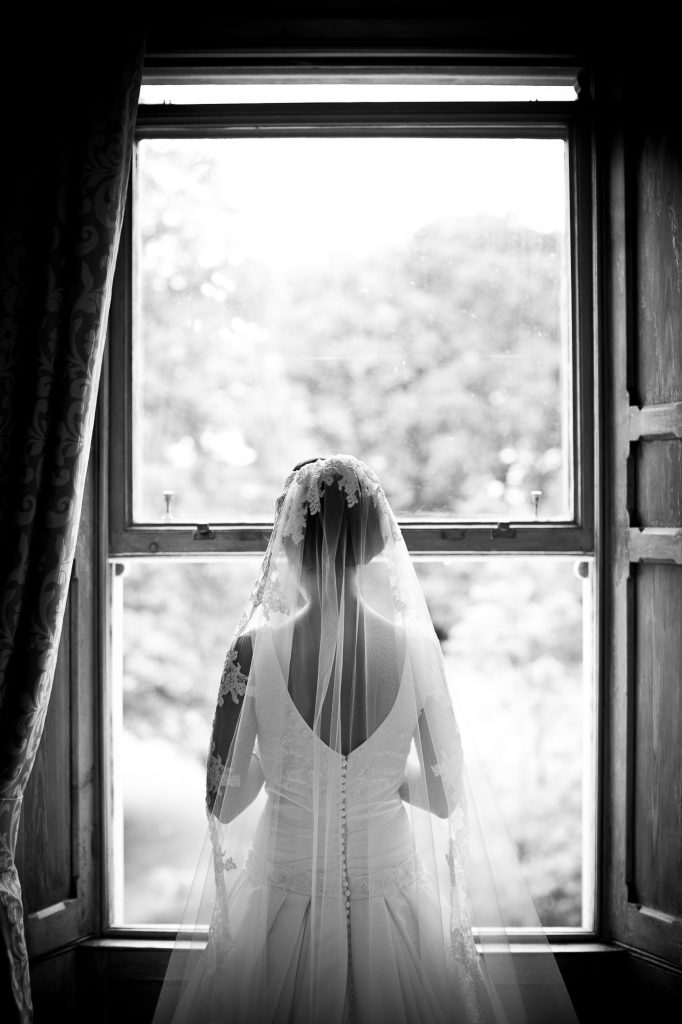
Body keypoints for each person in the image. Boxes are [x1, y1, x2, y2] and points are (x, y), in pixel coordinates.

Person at [153, 455, 579, 1024]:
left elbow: (223, 804)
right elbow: (443, 794)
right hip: (393, 905)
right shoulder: (416, 651)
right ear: (377, 544)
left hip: (281, 908)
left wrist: (275, 765)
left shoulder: (253, 652)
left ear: (288, 540)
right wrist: (379, 777)